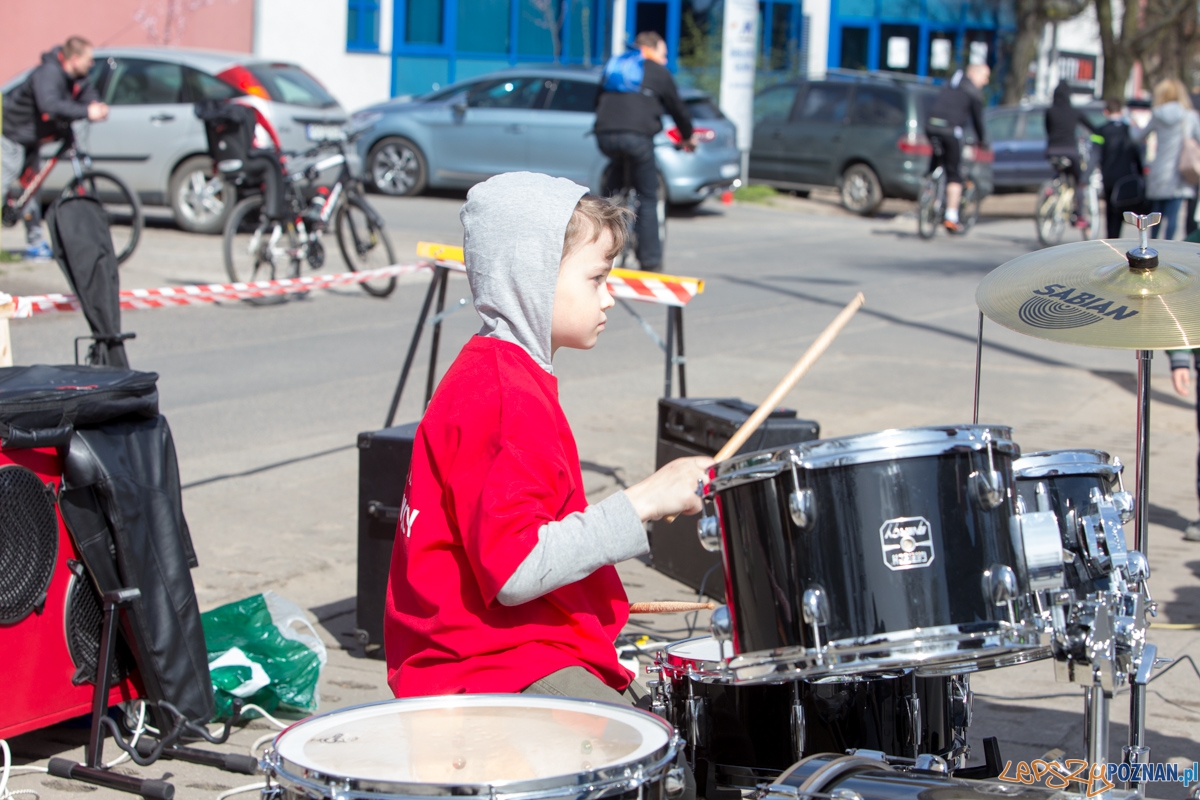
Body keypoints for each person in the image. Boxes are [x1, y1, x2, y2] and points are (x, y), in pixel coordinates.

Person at [384, 172, 711, 708]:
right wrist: (643, 501)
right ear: (531, 277)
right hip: (485, 662)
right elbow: (514, 569)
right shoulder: (504, 395)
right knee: (656, 757)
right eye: (596, 279)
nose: (609, 299)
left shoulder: (495, 370)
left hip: (507, 646)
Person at [594, 31, 695, 271]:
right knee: (648, 197)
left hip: (605, 136)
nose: (666, 59)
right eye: (664, 53)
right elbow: (677, 108)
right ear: (652, 49)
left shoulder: (615, 67)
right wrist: (688, 136)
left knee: (612, 196)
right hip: (638, 139)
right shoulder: (659, 72)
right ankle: (650, 261)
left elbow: (597, 101)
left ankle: (603, 252)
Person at [1, 36, 108, 260]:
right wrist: (86, 112)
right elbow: (49, 104)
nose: (92, 64)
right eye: (89, 60)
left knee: (32, 187)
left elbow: (87, 94)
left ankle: (35, 244)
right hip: (13, 132)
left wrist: (95, 106)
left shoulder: (75, 76)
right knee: (5, 178)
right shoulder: (48, 73)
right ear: (75, 59)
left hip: (34, 137)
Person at [1131, 79, 1200, 240]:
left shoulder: (1157, 114)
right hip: (1180, 170)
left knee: (1155, 216)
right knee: (1173, 216)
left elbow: (1138, 137)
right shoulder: (1189, 116)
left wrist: (1132, 125)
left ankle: (1152, 245)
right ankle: (1170, 248)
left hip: (1160, 169)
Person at [926, 63, 990, 233]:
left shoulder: (952, 85)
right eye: (985, 76)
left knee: (938, 161)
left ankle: (929, 187)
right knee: (954, 174)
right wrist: (983, 141)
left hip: (931, 126)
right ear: (974, 74)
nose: (986, 81)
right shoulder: (973, 92)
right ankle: (951, 216)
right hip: (950, 130)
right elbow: (978, 122)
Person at [1045, 81, 1099, 230]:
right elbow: (1092, 128)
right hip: (1070, 151)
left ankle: (1051, 190)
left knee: (1059, 171)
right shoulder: (1074, 112)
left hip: (1052, 151)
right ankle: (1080, 215)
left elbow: (1048, 130)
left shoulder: (1050, 111)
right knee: (1079, 181)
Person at [1096, 97, 1144, 239]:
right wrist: (1141, 174)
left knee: (1110, 211)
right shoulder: (1128, 130)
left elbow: (1096, 153)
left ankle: (1112, 239)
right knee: (1123, 210)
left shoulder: (1101, 131)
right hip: (1126, 177)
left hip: (1108, 176)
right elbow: (1137, 153)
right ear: (1121, 111)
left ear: (1106, 112)